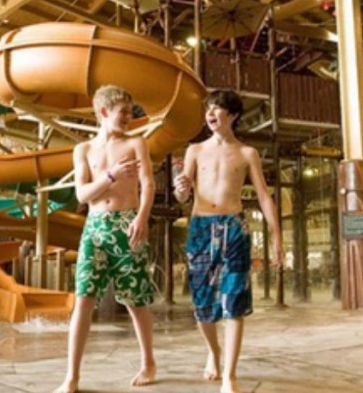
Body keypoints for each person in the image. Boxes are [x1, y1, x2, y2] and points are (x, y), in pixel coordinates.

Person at [173, 89, 282, 393]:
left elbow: (263, 195)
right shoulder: (194, 150)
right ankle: (213, 351)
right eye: (208, 108)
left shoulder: (247, 153)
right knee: (202, 304)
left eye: (218, 108)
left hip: (234, 227)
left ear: (232, 116)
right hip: (200, 227)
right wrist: (180, 188)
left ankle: (229, 376)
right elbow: (183, 194)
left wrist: (276, 236)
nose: (211, 113)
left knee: (234, 302)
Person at [55, 85, 156, 393]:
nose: (128, 117)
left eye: (130, 111)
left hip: (127, 224)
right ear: (103, 112)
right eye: (122, 111)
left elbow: (149, 183)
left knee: (135, 300)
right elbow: (82, 194)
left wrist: (141, 217)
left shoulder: (137, 143)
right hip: (95, 226)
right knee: (83, 297)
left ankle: (148, 362)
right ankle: (72, 377)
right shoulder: (83, 150)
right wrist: (110, 175)